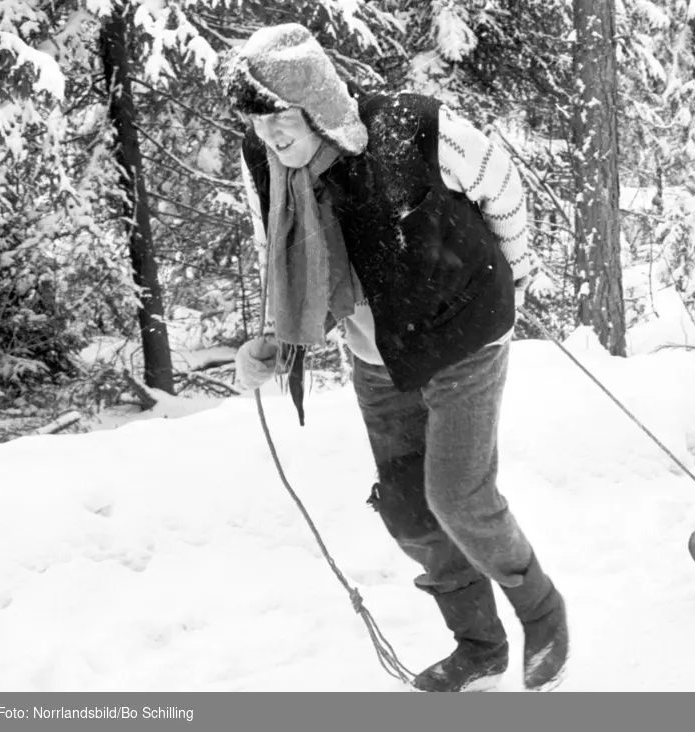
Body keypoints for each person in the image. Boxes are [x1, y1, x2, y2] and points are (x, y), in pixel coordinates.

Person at [220, 23, 568, 693]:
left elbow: (500, 183)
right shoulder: (265, 158)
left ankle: (543, 611)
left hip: (460, 333)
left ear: (318, 105)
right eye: (256, 126)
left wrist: (517, 272)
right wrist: (274, 337)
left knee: (458, 498)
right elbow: (282, 253)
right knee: (409, 507)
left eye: (279, 124)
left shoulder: (410, 127)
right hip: (375, 354)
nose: (268, 139)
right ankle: (480, 646)